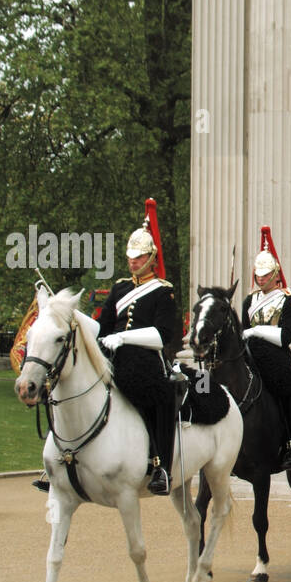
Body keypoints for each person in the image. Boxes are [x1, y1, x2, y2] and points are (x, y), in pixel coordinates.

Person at [96, 198, 181, 495]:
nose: (133, 261)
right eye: (131, 256)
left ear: (151, 258)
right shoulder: (119, 288)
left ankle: (161, 466)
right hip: (113, 356)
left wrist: (125, 338)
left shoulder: (162, 292)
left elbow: (162, 336)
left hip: (145, 360)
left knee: (160, 397)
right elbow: (102, 326)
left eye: (139, 256)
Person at [242, 225, 291, 472]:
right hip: (250, 356)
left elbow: (286, 336)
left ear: (276, 274)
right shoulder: (249, 300)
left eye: (266, 274)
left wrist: (255, 331)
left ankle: (290, 444)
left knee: (286, 390)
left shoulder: (287, 299)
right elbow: (242, 331)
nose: (261, 278)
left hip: (276, 359)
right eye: (259, 274)